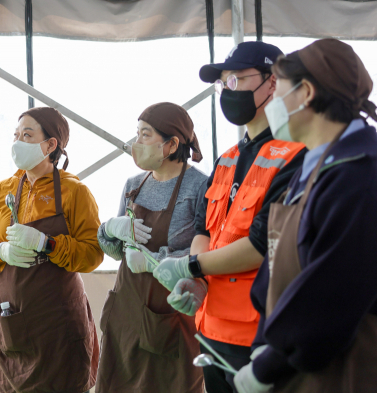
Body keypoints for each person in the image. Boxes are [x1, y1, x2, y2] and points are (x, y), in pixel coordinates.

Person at [150, 42, 307, 393]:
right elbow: (206, 227)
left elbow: (261, 244)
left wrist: (192, 267)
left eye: (237, 79)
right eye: (223, 83)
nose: (227, 91)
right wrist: (198, 281)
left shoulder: (296, 156)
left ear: (273, 83)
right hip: (211, 329)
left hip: (260, 336)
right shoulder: (227, 159)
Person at [234, 39, 377, 393]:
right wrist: (264, 342)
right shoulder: (313, 164)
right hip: (294, 358)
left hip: (339, 365)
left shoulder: (360, 172)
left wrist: (269, 364)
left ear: (307, 92)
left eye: (278, 89)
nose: (273, 104)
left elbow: (334, 290)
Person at [0, 107, 103, 393]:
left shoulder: (74, 191)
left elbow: (92, 253)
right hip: (12, 323)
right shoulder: (1, 190)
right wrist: (1, 250)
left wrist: (48, 243)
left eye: (27, 135)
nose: (17, 141)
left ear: (50, 145)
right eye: (16, 135)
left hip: (58, 325)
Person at [95, 103, 207, 392]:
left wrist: (154, 260)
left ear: (171, 144)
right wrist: (109, 229)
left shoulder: (200, 187)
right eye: (137, 133)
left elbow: (206, 254)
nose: (137, 143)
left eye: (146, 135)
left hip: (168, 316)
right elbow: (117, 251)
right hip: (126, 314)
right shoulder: (134, 184)